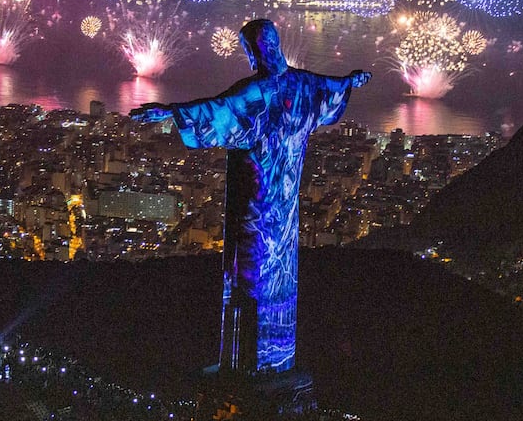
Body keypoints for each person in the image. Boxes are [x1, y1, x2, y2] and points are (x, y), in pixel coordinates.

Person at [130, 19, 370, 375]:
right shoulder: (305, 85)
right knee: (280, 274)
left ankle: (248, 365)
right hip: (286, 207)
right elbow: (332, 89)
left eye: (249, 49)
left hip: (255, 204)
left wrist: (169, 112)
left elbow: (216, 111)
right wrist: (352, 81)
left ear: (255, 50)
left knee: (249, 274)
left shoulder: (255, 93)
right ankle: (277, 358)